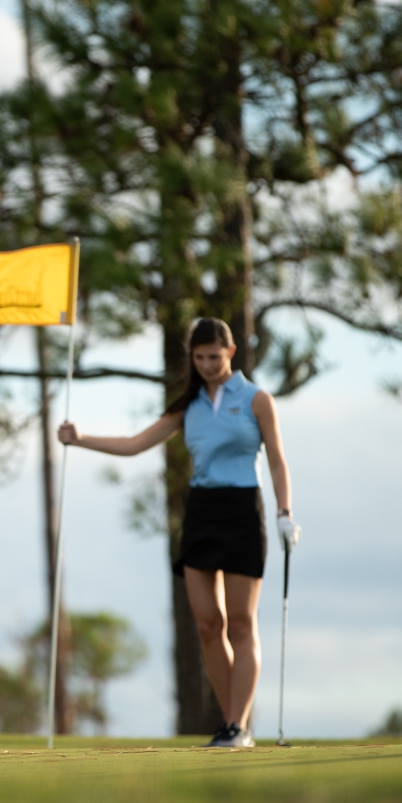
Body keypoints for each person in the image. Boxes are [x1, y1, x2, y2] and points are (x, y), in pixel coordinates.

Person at [58, 318, 300, 748]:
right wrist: (80, 439)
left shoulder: (256, 400)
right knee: (209, 623)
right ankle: (230, 723)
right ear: (192, 357)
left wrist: (285, 512)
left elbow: (278, 461)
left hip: (244, 509)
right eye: (199, 357)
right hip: (202, 511)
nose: (207, 364)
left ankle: (237, 726)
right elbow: (135, 444)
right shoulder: (187, 405)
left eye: (214, 356)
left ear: (230, 353)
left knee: (242, 623)